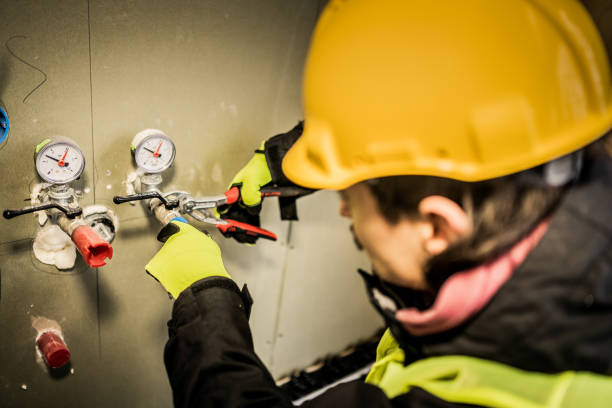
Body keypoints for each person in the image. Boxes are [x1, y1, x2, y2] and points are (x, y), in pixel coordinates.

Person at [144, 0, 612, 406]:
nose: (344, 210)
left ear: (437, 229)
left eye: (349, 197)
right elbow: (433, 97)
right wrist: (285, 162)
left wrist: (205, 299)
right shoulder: (562, 147)